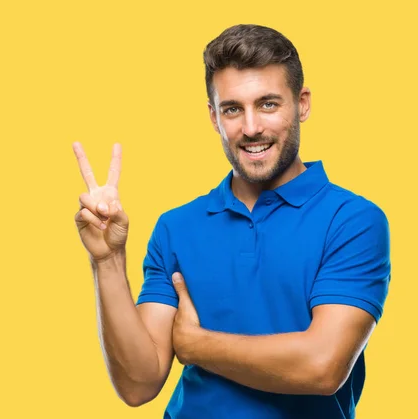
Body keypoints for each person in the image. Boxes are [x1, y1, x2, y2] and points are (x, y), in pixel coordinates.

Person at [72, 24, 390, 419]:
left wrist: (197, 345)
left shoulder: (352, 221)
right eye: (233, 109)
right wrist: (107, 261)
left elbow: (322, 367)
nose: (251, 127)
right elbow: (139, 384)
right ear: (213, 116)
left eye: (269, 104)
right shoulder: (176, 227)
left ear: (302, 103)